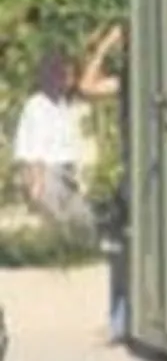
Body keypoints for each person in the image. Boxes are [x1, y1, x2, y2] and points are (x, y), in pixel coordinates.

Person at [76, 22, 130, 344]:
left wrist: (108, 43)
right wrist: (105, 47)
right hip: (132, 171)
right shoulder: (128, 79)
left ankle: (123, 321)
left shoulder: (152, 78)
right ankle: (120, 321)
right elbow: (87, 85)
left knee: (131, 247)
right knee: (123, 247)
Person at [12, 48, 93, 237]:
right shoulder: (37, 105)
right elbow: (33, 149)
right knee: (59, 228)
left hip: (67, 173)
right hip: (48, 174)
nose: (71, 80)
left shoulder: (63, 104)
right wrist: (36, 183)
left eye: (72, 75)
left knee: (84, 224)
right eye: (67, 75)